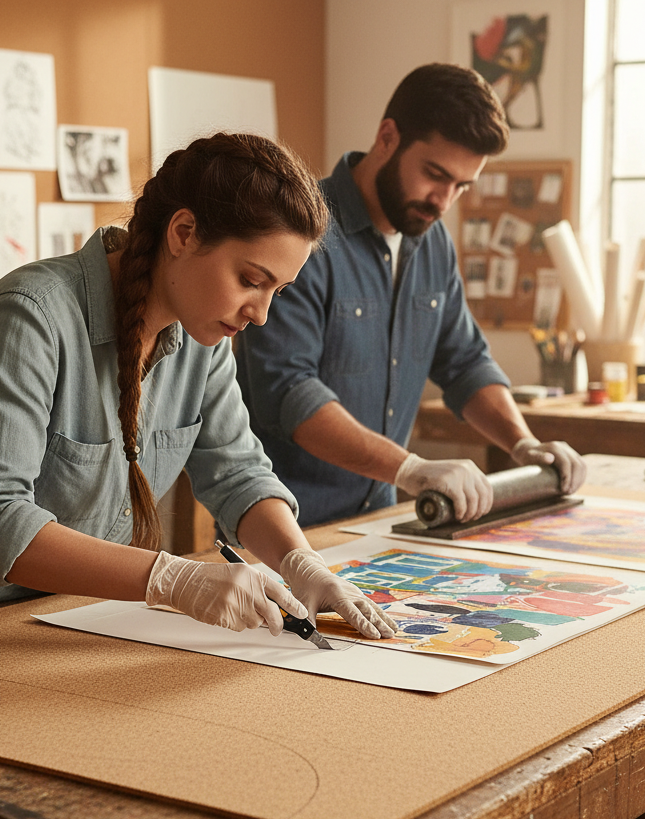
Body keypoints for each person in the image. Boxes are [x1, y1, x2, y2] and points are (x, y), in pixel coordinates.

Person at [0, 133, 395, 647]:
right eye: (251, 280)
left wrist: (301, 562)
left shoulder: (203, 336)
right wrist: (172, 578)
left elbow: (239, 474)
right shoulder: (32, 317)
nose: (262, 314)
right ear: (183, 233)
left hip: (43, 620)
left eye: (278, 290)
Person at [235, 64, 586, 528]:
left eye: (461, 186)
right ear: (387, 137)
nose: (443, 201)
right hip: (286, 528)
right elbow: (289, 394)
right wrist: (412, 469)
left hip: (381, 521)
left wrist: (523, 443)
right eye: (435, 174)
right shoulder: (301, 230)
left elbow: (465, 363)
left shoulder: (432, 242)